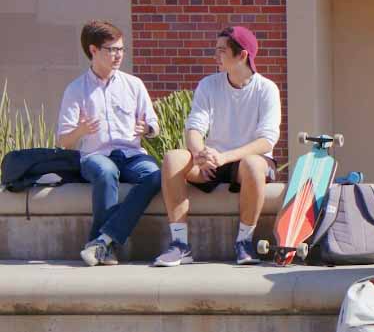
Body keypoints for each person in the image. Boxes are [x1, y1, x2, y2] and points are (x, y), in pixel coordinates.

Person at [152, 26, 281, 266]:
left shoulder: (267, 89)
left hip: (247, 161)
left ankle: (244, 243)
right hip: (212, 161)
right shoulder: (209, 84)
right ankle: (180, 245)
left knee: (253, 165)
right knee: (173, 158)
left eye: (222, 51)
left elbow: (266, 141)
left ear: (242, 55)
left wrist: (225, 157)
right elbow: (194, 127)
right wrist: (199, 153)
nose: (216, 56)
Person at [57, 20, 162, 266]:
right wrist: (81, 130)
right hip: (95, 156)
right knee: (106, 172)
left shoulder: (133, 85)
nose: (118, 55)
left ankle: (102, 241)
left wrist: (146, 128)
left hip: (132, 154)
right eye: (111, 50)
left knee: (156, 175)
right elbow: (63, 140)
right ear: (93, 50)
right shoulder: (76, 89)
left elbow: (154, 126)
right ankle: (104, 244)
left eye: (121, 50)